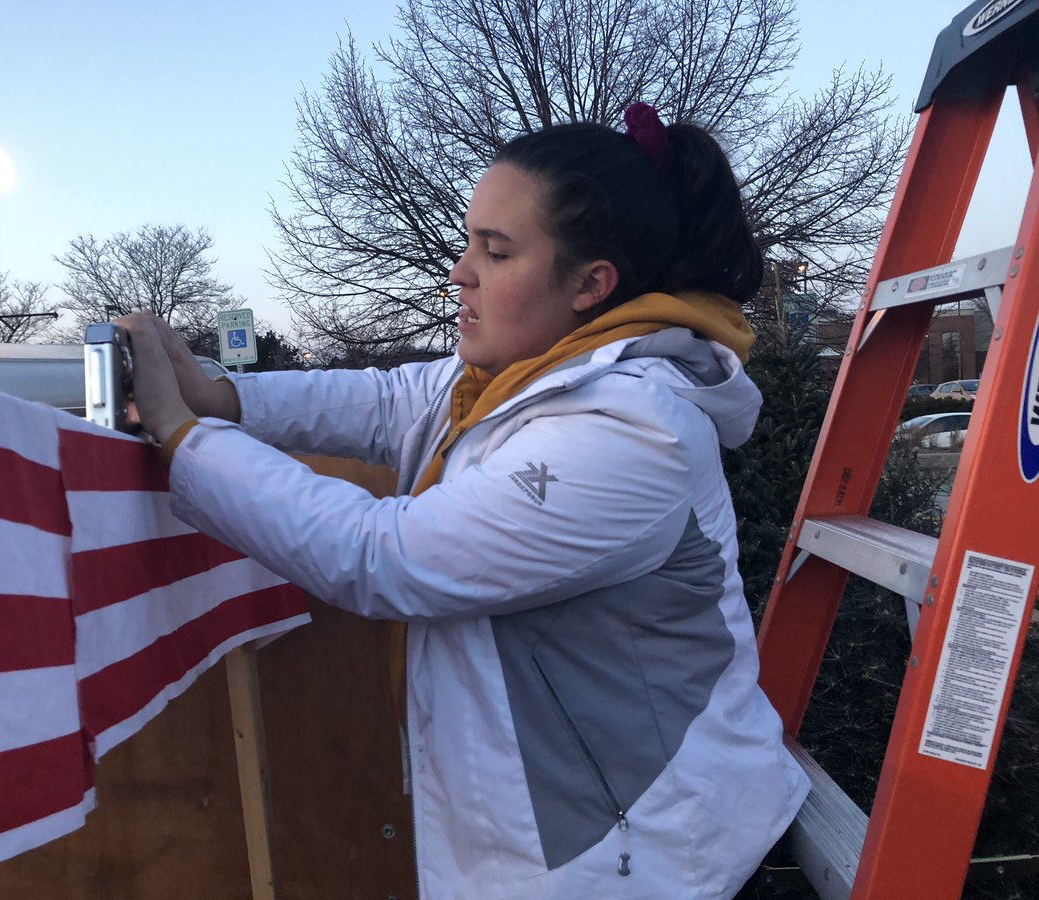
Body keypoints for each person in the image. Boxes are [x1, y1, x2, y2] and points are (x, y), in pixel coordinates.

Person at [117, 102, 809, 899]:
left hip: (640, 859)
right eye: (469, 240)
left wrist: (185, 439)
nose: (460, 272)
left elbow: (388, 557)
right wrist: (224, 398)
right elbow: (386, 402)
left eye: (497, 250)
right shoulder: (517, 376)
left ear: (592, 285)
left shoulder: (631, 430)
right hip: (572, 835)